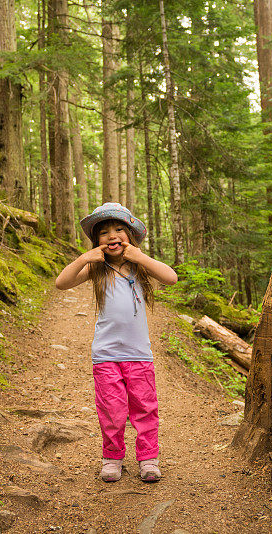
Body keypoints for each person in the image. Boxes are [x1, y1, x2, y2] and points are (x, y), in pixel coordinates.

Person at [55, 203, 178, 482]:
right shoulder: (97, 270)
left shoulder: (139, 268)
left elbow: (171, 277)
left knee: (145, 409)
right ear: (96, 241)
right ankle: (112, 459)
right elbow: (61, 283)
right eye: (104, 232)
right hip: (106, 354)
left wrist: (140, 256)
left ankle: (148, 459)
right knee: (112, 410)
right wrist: (85, 258)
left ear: (130, 236)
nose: (112, 236)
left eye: (119, 229)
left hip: (139, 355)